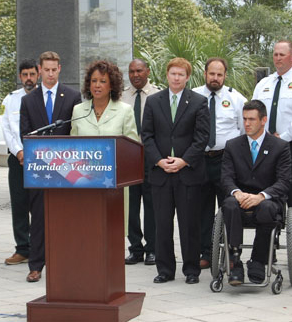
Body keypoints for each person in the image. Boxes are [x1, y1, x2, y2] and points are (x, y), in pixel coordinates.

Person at [141, 57, 209, 285]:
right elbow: (147, 135)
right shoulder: (153, 101)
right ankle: (165, 270)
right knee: (162, 224)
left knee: (189, 224)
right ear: (167, 75)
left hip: (187, 173)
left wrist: (184, 160)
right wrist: (159, 161)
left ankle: (191, 270)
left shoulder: (198, 102)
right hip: (161, 173)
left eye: (181, 74)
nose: (176, 78)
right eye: (173, 74)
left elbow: (202, 138)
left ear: (187, 77)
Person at [252, 40, 292, 268]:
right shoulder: (264, 84)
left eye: (282, 54)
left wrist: (284, 137)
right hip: (267, 149)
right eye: (275, 54)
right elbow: (255, 111)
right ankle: (265, 252)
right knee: (267, 200)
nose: (277, 58)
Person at [20, 51, 81, 283]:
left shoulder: (73, 96)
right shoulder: (28, 100)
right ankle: (36, 265)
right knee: (38, 218)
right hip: (39, 169)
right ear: (39, 70)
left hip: (67, 169)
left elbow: (74, 131)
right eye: (46, 70)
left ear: (60, 68)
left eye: (54, 69)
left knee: (66, 216)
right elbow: (25, 133)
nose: (51, 74)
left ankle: (67, 261)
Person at [221, 100, 291, 285]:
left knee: (267, 208)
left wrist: (260, 196)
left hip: (267, 198)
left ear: (263, 120)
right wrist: (237, 193)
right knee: (228, 204)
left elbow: (284, 181)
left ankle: (258, 261)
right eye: (244, 119)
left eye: (251, 119)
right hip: (240, 198)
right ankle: (234, 260)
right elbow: (226, 177)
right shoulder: (233, 145)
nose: (246, 123)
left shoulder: (280, 146)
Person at [193, 57, 247, 269]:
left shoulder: (236, 99)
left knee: (231, 208)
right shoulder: (194, 96)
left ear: (225, 75)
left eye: (219, 74)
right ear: (205, 74)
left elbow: (243, 131)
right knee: (202, 210)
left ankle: (233, 255)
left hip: (226, 161)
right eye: (212, 74)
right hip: (200, 161)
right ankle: (206, 253)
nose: (215, 78)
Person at [0, 59, 39, 266]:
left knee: (40, 204)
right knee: (19, 203)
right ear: (20, 77)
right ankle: (22, 248)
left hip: (40, 160)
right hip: (18, 159)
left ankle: (41, 247)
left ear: (38, 74)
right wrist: (19, 152)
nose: (29, 79)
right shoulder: (11, 100)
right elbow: (7, 128)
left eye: (32, 74)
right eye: (25, 75)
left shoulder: (44, 97)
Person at [121, 58, 160, 266]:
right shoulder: (121, 96)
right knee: (131, 205)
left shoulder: (157, 94)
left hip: (150, 157)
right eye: (132, 71)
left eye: (139, 70)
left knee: (152, 205)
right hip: (128, 158)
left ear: (147, 71)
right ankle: (135, 248)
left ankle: (152, 248)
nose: (135, 75)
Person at [71, 60, 137, 140]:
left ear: (111, 85)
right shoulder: (78, 110)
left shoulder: (125, 110)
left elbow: (132, 146)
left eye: (103, 81)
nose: (97, 85)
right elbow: (73, 145)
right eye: (94, 81)